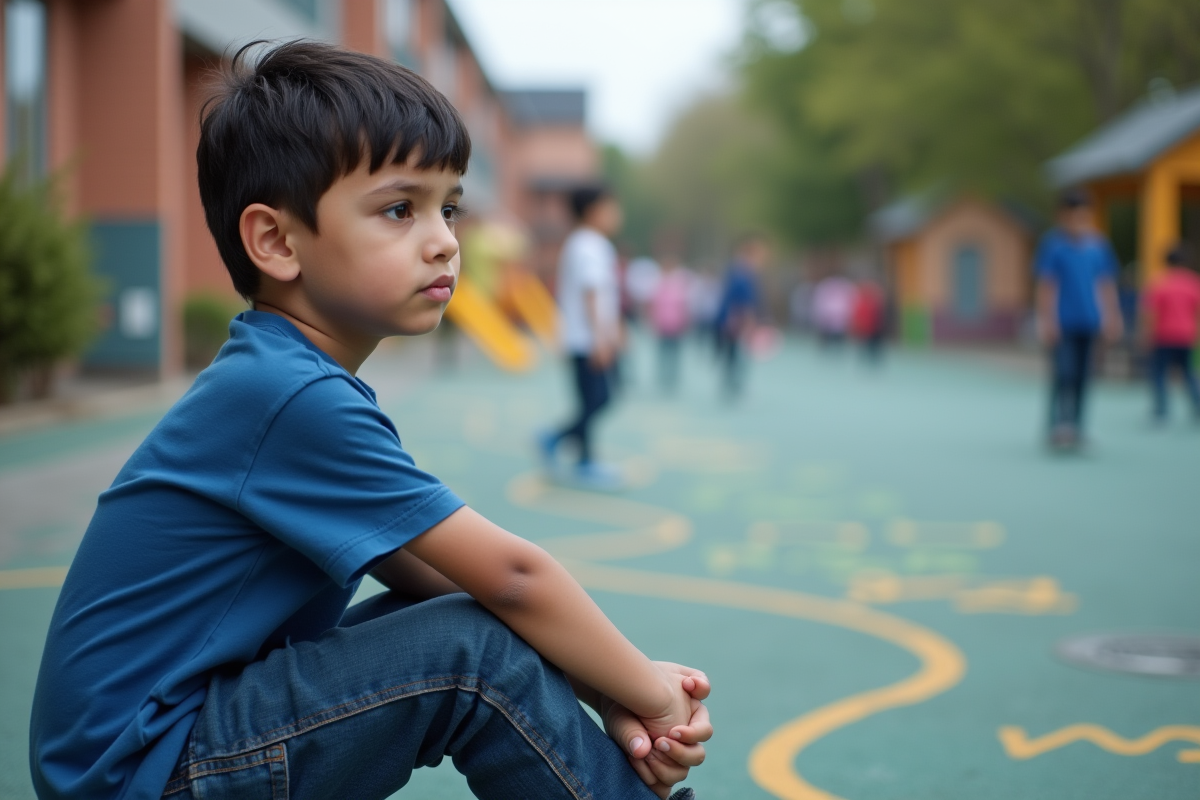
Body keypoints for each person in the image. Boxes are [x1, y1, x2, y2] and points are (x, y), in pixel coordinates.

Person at [29, 43, 709, 800]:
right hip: (146, 767)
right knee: (469, 651)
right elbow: (514, 577)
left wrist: (602, 686)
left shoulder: (287, 378)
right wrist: (646, 690)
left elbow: (437, 572)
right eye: (398, 209)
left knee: (459, 616)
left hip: (164, 743)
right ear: (277, 241)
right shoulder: (288, 397)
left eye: (448, 208)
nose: (445, 240)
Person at [541, 185, 626, 489]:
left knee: (593, 400)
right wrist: (601, 339)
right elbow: (592, 293)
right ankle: (557, 440)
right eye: (611, 208)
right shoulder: (590, 244)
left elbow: (602, 294)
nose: (618, 215)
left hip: (583, 338)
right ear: (593, 211)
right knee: (599, 398)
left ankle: (583, 457)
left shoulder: (582, 242)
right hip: (586, 340)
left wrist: (615, 329)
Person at [1035, 189, 1124, 450]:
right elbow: (1047, 285)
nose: (1079, 222)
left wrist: (1112, 316)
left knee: (1084, 376)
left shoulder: (1098, 246)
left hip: (1090, 321)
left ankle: (1078, 426)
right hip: (1063, 323)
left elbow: (1105, 283)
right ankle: (1059, 425)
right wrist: (1046, 320)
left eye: (1084, 216)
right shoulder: (1053, 245)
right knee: (1064, 373)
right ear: (1062, 216)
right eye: (1073, 216)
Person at [1143, 243, 1200, 422]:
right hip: (1186, 336)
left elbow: (1151, 313)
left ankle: (1162, 411)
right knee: (1188, 373)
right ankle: (1197, 406)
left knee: (1160, 373)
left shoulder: (1160, 283)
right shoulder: (1193, 282)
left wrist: (1146, 335)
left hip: (1163, 336)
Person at [714, 234, 768, 398]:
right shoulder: (742, 272)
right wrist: (750, 321)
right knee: (737, 354)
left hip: (731, 320)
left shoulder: (737, 270)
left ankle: (732, 384)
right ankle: (734, 385)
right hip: (737, 321)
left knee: (733, 354)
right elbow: (744, 302)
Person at [650, 252, 692, 392]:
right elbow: (654, 304)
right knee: (663, 350)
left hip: (676, 323)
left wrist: (686, 320)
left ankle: (672, 375)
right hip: (663, 322)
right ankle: (664, 375)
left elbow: (684, 304)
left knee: (674, 351)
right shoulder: (659, 282)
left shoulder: (679, 283)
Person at [810, 271, 857, 349]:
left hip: (840, 323)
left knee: (839, 344)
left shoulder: (845, 286)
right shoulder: (824, 286)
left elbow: (852, 302)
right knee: (826, 345)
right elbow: (819, 303)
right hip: (827, 323)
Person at [850, 276, 887, 363]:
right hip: (865, 330)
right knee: (864, 348)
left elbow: (879, 316)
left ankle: (874, 360)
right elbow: (858, 317)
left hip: (875, 329)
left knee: (874, 348)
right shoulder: (861, 303)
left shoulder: (875, 303)